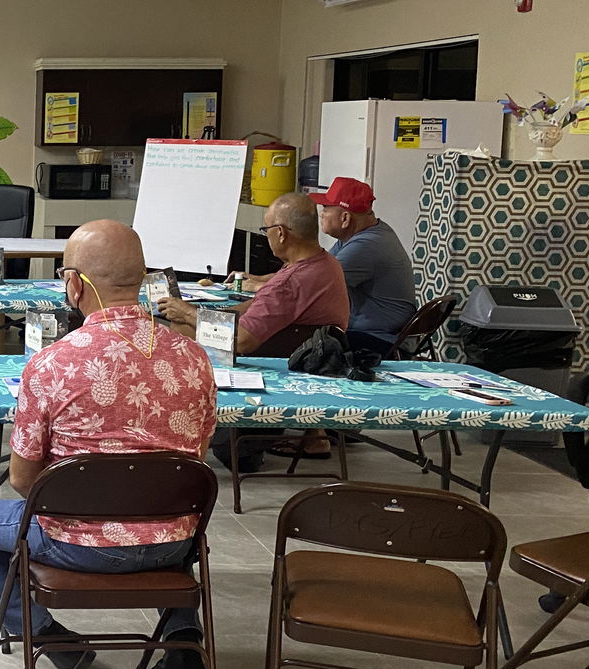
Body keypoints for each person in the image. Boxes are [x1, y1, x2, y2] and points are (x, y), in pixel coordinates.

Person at [0, 221, 218, 669]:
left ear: (74, 284)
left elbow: (23, 480)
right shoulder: (195, 358)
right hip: (174, 542)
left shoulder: (52, 363)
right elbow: (196, 455)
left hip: (78, 544)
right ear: (142, 278)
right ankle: (183, 643)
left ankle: (49, 636)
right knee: (158, 511)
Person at [159, 191, 349, 465]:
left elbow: (242, 341)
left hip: (276, 367)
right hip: (316, 361)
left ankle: (183, 416)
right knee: (187, 322)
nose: (266, 235)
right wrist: (204, 313)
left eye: (266, 229)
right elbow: (255, 307)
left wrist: (188, 314)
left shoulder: (289, 282)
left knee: (181, 330)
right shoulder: (326, 264)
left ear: (281, 233)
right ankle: (312, 434)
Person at [312, 176, 417, 354]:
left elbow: (314, 284)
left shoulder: (367, 245)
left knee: (304, 339)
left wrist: (267, 285)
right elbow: (316, 269)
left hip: (381, 339)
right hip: (380, 332)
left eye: (326, 208)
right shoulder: (362, 235)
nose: (321, 214)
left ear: (345, 218)